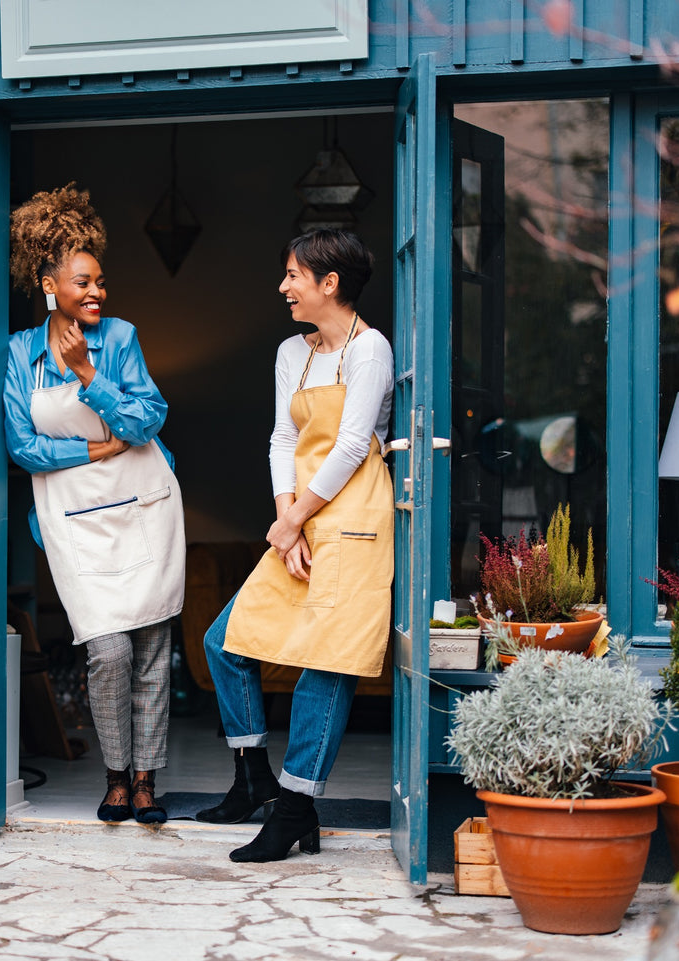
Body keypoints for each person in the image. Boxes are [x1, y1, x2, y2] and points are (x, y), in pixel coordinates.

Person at [198, 228, 394, 862]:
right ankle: (251, 774)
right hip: (302, 520)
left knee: (328, 665)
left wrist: (297, 519)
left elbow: (349, 446)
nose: (283, 287)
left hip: (356, 517)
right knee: (223, 642)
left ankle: (295, 808)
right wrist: (288, 523)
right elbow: (284, 440)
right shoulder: (292, 352)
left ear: (327, 284)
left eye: (292, 276)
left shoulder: (371, 351)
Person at [3, 184, 186, 824]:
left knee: (153, 652)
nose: (96, 293)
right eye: (83, 282)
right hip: (74, 521)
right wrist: (92, 454)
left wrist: (88, 376)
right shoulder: (19, 354)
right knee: (108, 651)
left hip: (143, 508)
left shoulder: (120, 339)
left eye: (101, 282)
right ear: (49, 283)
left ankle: (143, 781)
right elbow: (22, 446)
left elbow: (147, 418)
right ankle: (114, 772)